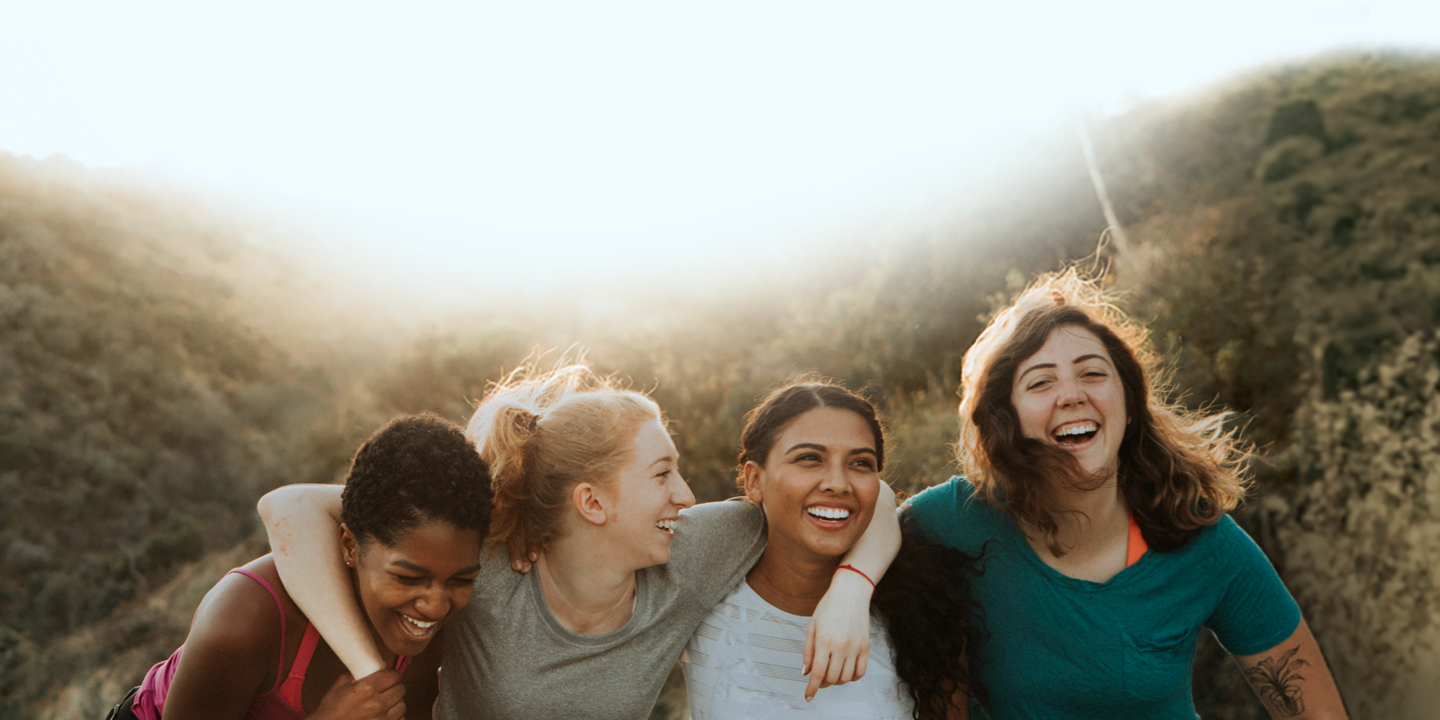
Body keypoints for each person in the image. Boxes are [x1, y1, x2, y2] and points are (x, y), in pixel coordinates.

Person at [258, 364, 899, 719]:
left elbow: (868, 496)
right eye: (661, 474)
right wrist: (372, 677)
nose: (685, 495)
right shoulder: (489, 563)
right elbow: (288, 507)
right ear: (591, 502)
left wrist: (852, 588)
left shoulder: (696, 548)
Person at [903, 269, 1349, 719]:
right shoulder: (955, 518)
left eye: (1092, 373)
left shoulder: (1199, 538)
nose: (1072, 394)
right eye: (1040, 382)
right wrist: (851, 587)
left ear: (1130, 404)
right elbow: (861, 514)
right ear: (1008, 416)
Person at [105, 413, 493, 720]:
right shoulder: (243, 619)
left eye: (461, 580)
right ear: (349, 545)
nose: (436, 606)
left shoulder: (429, 634)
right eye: (408, 577)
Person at [682, 380, 985, 720]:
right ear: (753, 481)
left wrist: (853, 590)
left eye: (860, 463)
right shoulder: (703, 594)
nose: (838, 484)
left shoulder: (924, 612)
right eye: (809, 458)